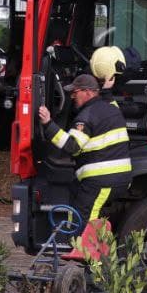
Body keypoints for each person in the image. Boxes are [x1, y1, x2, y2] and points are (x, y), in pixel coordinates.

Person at [36, 73, 132, 231]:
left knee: (82, 222)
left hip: (101, 180)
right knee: (87, 218)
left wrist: (48, 124)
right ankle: (99, 252)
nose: (72, 96)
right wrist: (107, 89)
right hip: (119, 177)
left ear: (88, 92)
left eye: (75, 92)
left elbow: (72, 146)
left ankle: (85, 253)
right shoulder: (112, 108)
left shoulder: (86, 116)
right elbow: (110, 102)